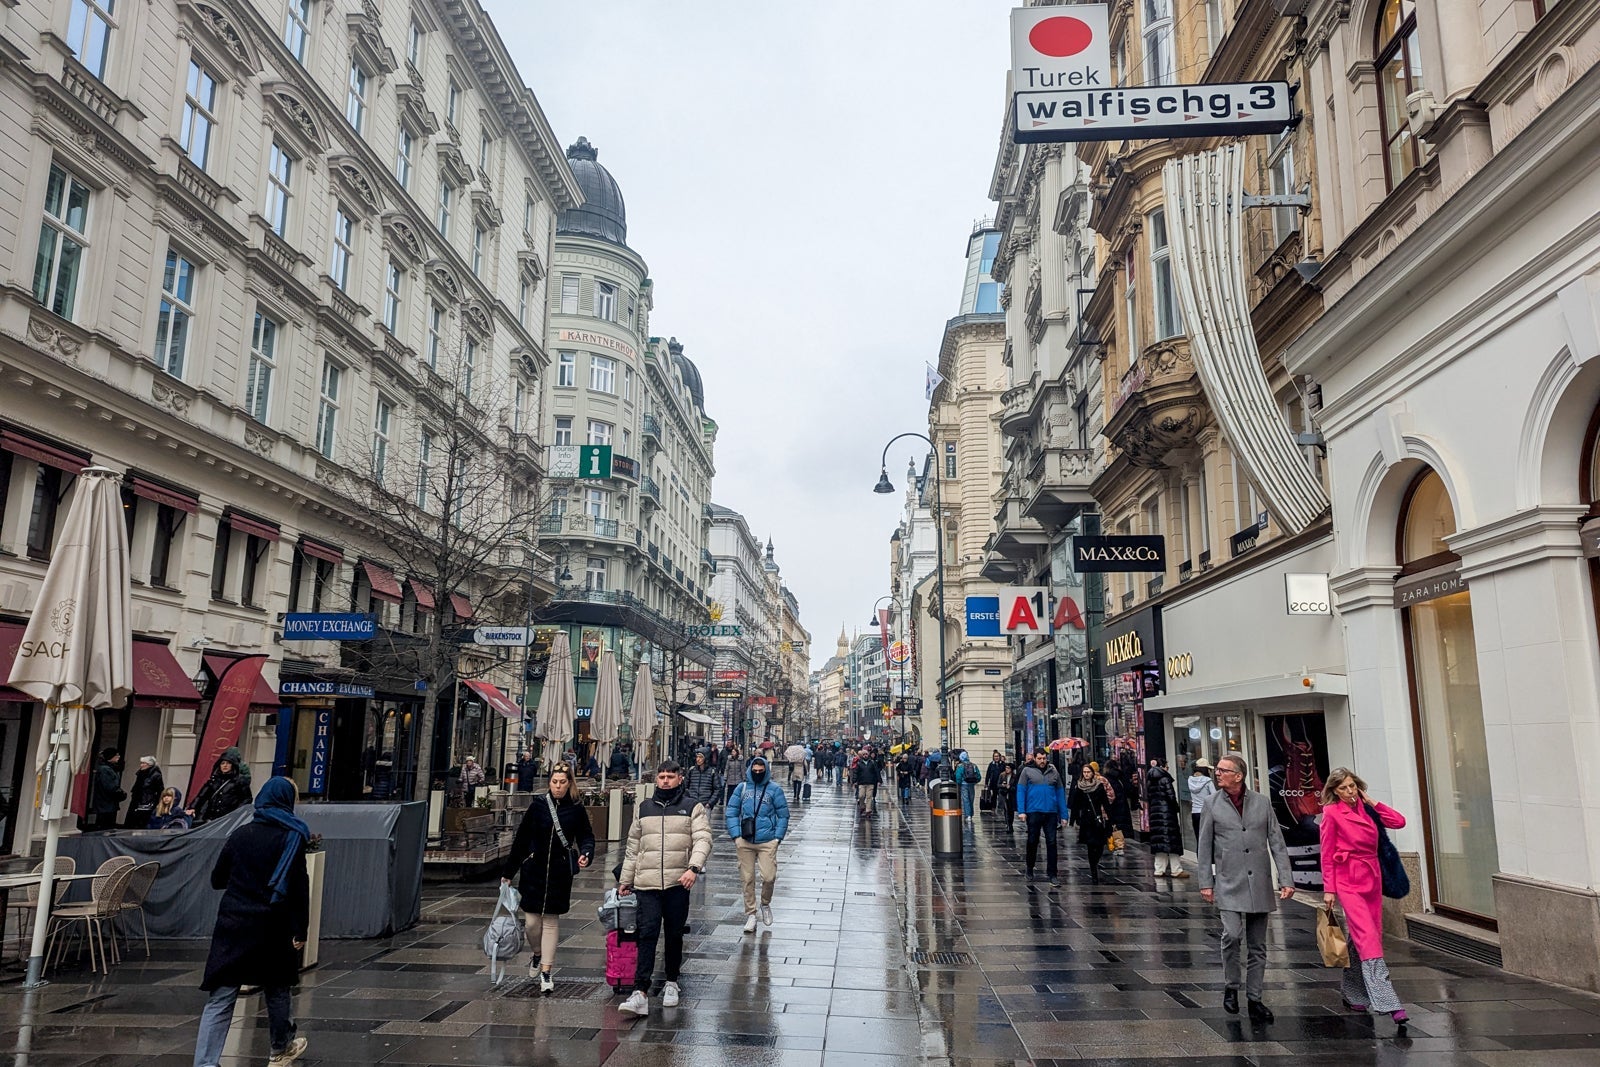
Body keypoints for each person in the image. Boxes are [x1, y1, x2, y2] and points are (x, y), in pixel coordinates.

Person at [193, 778, 309, 1067]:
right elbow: (298, 888)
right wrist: (300, 929)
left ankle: (206, 1063)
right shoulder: (292, 837)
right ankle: (279, 1050)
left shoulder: (240, 835)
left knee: (221, 997)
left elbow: (217, 879)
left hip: (233, 924)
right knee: (277, 988)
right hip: (273, 925)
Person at [1197, 754, 1294, 1023]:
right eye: (1216, 770)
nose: (1217, 774)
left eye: (1222, 770)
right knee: (1231, 934)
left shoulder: (1262, 803)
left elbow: (1277, 842)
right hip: (1228, 881)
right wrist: (1206, 882)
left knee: (1258, 945)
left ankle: (1254, 998)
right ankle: (1231, 986)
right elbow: (1204, 847)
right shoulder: (1211, 804)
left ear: (1238, 776)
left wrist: (1286, 879)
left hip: (1259, 882)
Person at [618, 760, 712, 1017]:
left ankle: (672, 981)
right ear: (656, 780)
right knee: (646, 934)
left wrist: (693, 868)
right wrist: (625, 880)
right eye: (662, 776)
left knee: (673, 934)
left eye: (671, 776)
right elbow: (633, 847)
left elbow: (703, 839)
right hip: (646, 883)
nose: (666, 781)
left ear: (680, 778)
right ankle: (640, 991)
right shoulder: (644, 808)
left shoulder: (692, 807)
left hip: (677, 882)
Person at [1320, 767, 1409, 1027]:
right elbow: (1326, 854)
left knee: (1365, 936)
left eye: (1352, 786)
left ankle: (1353, 991)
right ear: (1334, 791)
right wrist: (1329, 889)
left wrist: (1371, 801)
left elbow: (1399, 821)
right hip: (1348, 879)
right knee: (1367, 937)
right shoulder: (1331, 813)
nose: (1349, 792)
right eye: (1343, 788)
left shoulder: (1366, 808)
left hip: (1372, 877)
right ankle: (1388, 1001)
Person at [502, 764, 594, 994]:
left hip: (559, 872)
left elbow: (586, 836)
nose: (558, 786)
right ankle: (537, 954)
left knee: (551, 921)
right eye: (554, 782)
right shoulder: (538, 807)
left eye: (562, 782)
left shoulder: (576, 808)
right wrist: (508, 871)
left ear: (570, 783)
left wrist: (586, 853)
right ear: (549, 782)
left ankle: (546, 971)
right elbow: (522, 839)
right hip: (534, 870)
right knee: (532, 923)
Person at [725, 754, 789, 934]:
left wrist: (777, 838)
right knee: (747, 879)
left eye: (761, 770)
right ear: (751, 770)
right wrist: (736, 836)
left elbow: (783, 814)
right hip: (745, 839)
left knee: (769, 877)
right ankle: (751, 913)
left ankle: (765, 903)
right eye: (756, 770)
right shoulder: (742, 788)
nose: (758, 772)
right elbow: (731, 812)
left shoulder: (774, 789)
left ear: (766, 770)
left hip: (767, 840)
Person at [1015, 749, 1068, 885]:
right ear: (1034, 758)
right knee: (1032, 841)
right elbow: (1021, 791)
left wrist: (1064, 815)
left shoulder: (1054, 772)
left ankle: (1052, 873)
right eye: (1039, 758)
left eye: (1044, 758)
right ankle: (1029, 868)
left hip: (1050, 812)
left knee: (1051, 842)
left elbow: (1060, 793)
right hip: (1033, 811)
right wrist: (1021, 810)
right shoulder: (1027, 771)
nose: (1042, 761)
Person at [1068, 761, 1114, 884]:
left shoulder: (1099, 786)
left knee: (1099, 845)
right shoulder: (1080, 787)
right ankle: (1093, 870)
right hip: (1086, 820)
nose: (1086, 774)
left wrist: (1111, 819)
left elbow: (1105, 802)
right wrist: (1073, 820)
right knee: (1090, 845)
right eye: (1084, 772)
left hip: (1097, 819)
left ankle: (1095, 862)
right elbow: (1075, 804)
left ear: (1093, 773)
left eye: (1088, 772)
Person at [1145, 758, 1189, 879]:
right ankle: (1176, 869)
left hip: (1155, 813)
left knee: (1159, 842)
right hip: (1167, 813)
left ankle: (1159, 869)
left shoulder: (1150, 780)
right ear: (1163, 767)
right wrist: (1176, 808)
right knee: (1172, 842)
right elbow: (1171, 796)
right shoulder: (1165, 779)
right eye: (1167, 767)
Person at [188, 748, 253, 825]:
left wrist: (235, 813)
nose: (225, 765)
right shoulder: (214, 780)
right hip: (211, 817)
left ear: (233, 765)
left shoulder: (240, 781)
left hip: (229, 819)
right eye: (222, 763)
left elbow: (247, 799)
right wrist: (193, 807)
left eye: (228, 763)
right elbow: (202, 796)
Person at [89, 748, 126, 831]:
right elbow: (110, 787)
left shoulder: (108, 768)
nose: (118, 757)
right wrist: (120, 794)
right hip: (106, 803)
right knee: (105, 826)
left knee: (105, 825)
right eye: (116, 755)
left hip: (106, 803)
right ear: (111, 757)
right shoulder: (106, 769)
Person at [126, 756, 164, 829]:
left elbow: (160, 790)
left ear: (149, 764)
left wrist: (155, 803)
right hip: (138, 800)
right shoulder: (141, 773)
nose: (141, 765)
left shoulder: (156, 775)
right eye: (141, 763)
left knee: (142, 822)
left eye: (144, 763)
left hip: (147, 802)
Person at [682, 750, 721, 814]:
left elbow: (718, 789)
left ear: (706, 758)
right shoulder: (692, 770)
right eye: (697, 757)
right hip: (692, 804)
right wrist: (687, 800)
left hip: (705, 805)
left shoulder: (712, 772)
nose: (698, 759)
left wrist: (710, 803)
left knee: (704, 823)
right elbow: (684, 786)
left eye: (700, 757)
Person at [1188, 757, 1217, 842]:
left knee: (1199, 839)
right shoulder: (1208, 781)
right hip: (1206, 813)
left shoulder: (1191, 780)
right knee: (1208, 840)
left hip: (1195, 812)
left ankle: (1199, 855)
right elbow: (1214, 796)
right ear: (1205, 770)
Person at [852, 746, 882, 818]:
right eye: (864, 754)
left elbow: (876, 772)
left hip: (870, 783)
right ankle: (862, 806)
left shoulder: (872, 762)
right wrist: (854, 781)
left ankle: (868, 810)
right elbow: (856, 772)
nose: (865, 755)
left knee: (869, 797)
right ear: (862, 756)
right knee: (861, 796)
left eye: (866, 754)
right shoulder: (859, 763)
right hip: (861, 783)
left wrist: (879, 780)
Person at [957, 752, 981, 823]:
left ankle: (968, 815)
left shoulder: (960, 766)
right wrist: (975, 782)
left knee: (965, 799)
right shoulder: (973, 765)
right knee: (971, 799)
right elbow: (978, 776)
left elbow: (958, 776)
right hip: (971, 784)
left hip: (964, 784)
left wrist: (959, 783)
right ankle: (971, 813)